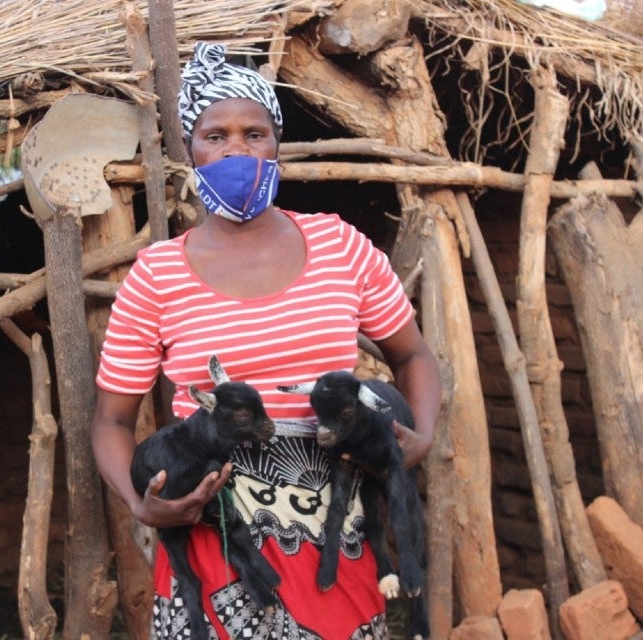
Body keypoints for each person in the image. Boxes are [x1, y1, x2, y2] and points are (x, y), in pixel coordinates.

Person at [91, 41, 441, 640]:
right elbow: (111, 423)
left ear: (277, 142)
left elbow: (411, 355)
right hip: (214, 543)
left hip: (340, 537)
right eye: (215, 135)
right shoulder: (156, 276)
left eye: (254, 134)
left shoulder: (340, 248)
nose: (236, 150)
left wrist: (422, 437)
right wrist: (141, 502)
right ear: (188, 148)